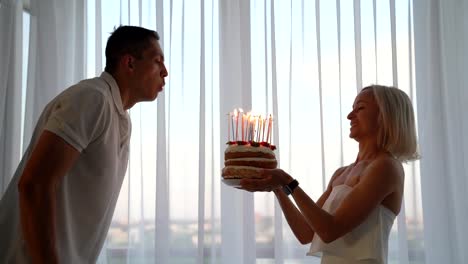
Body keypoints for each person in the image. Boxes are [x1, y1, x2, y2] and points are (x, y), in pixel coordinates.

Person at [0, 25, 168, 263]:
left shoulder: (120, 117)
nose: (165, 72)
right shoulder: (93, 98)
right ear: (129, 63)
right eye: (157, 61)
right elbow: (34, 184)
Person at [240, 85, 419, 264]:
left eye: (360, 108)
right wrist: (278, 188)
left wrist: (288, 181)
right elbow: (305, 233)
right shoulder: (341, 174)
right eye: (352, 109)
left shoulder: (386, 167)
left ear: (385, 116)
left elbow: (330, 230)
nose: (350, 116)